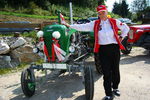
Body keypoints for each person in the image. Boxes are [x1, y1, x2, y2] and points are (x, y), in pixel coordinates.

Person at [62, 5, 130, 100]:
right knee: (106, 72)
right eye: (99, 13)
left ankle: (115, 88)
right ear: (98, 14)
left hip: (114, 48)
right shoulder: (95, 23)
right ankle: (108, 93)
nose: (101, 14)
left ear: (107, 12)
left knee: (115, 70)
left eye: (103, 12)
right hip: (103, 50)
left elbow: (126, 28)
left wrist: (121, 37)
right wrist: (70, 25)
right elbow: (82, 27)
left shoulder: (114, 21)